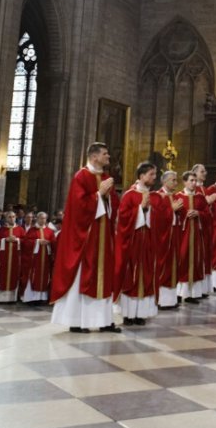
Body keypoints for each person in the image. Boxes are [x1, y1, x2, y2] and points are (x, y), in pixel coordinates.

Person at [50, 142, 120, 333]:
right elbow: (79, 207)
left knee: (103, 276)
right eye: (105, 154)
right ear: (94, 156)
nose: (108, 157)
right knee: (84, 275)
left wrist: (106, 196)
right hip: (86, 237)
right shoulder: (81, 176)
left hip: (103, 237)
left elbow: (113, 205)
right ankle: (78, 321)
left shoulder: (105, 177)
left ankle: (105, 320)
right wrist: (99, 194)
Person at [116, 162, 158, 326]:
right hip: (132, 243)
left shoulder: (153, 196)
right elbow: (123, 218)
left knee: (146, 275)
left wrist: (150, 212)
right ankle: (128, 314)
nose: (154, 178)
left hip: (147, 243)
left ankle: (141, 313)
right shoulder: (129, 195)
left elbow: (159, 220)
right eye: (151, 175)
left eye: (154, 175)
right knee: (131, 276)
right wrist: (141, 209)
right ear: (141, 176)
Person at [151, 170, 182, 310]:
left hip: (174, 235)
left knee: (173, 265)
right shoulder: (158, 196)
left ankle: (171, 299)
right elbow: (156, 218)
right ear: (164, 182)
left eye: (176, 180)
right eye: (173, 180)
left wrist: (179, 211)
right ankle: (161, 300)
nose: (175, 183)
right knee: (163, 266)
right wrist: (171, 209)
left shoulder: (174, 196)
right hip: (162, 237)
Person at [177, 170, 205, 303]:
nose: (194, 183)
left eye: (195, 181)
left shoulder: (200, 197)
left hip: (197, 237)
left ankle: (192, 294)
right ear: (185, 182)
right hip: (182, 236)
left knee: (196, 261)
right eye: (191, 181)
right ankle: (179, 292)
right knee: (182, 260)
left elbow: (209, 215)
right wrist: (184, 216)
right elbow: (173, 216)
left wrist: (199, 213)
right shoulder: (178, 197)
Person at [193, 163, 216, 297]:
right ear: (194, 173)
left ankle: (203, 288)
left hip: (206, 228)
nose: (205, 173)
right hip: (196, 229)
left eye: (205, 171)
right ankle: (195, 288)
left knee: (206, 257)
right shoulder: (193, 189)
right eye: (202, 171)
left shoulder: (206, 190)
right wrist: (207, 202)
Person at [21, 212, 55, 303]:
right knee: (33, 276)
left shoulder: (50, 231)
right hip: (34, 260)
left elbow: (54, 243)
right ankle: (31, 298)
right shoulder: (32, 230)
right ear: (37, 219)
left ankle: (42, 298)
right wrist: (37, 242)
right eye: (41, 218)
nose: (43, 220)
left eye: (44, 218)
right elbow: (26, 243)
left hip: (45, 260)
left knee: (44, 277)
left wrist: (49, 243)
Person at [0, 211, 25, 303]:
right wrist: (5, 239)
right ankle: (0, 298)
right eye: (9, 217)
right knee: (2, 275)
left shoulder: (20, 229)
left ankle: (12, 298)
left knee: (14, 275)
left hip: (16, 257)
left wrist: (17, 240)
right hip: (3, 258)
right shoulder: (1, 229)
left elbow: (25, 241)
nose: (12, 218)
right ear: (6, 218)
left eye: (13, 217)